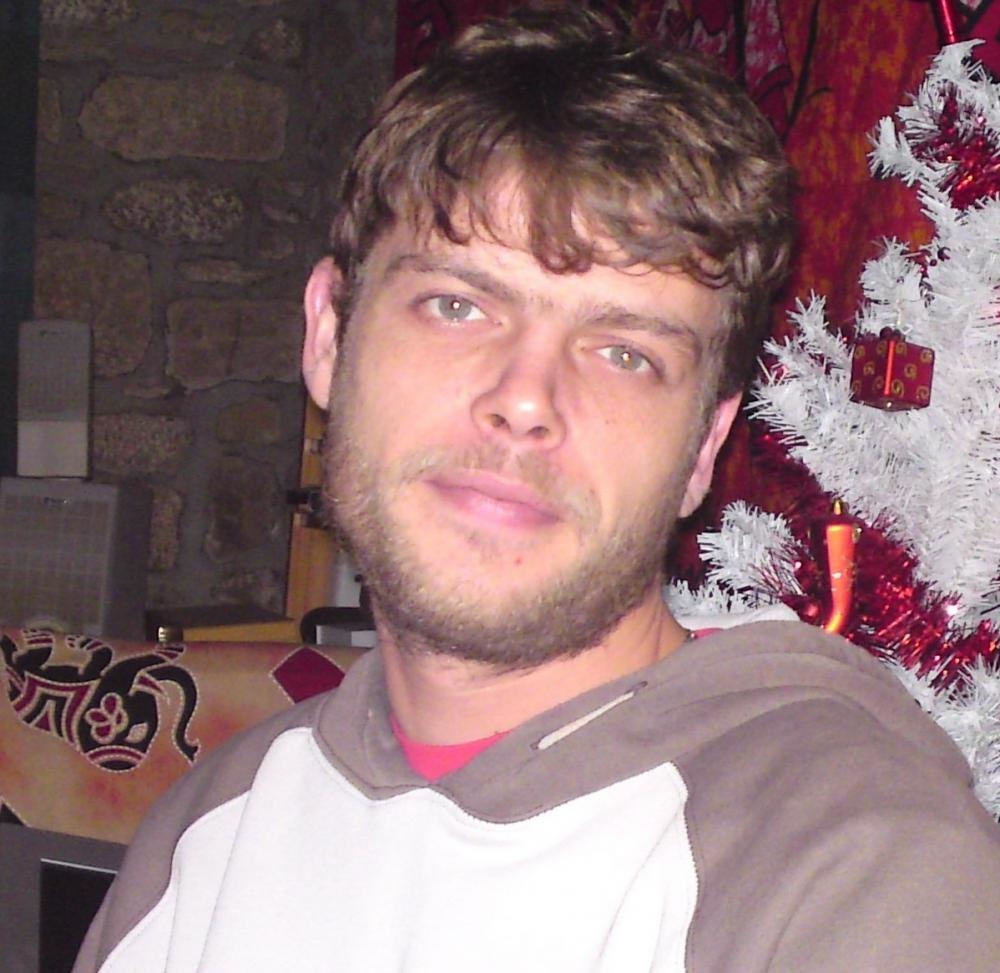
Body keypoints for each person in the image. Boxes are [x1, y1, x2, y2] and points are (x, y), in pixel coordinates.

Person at [75, 9, 1000, 972]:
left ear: (704, 446)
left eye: (624, 352)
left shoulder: (856, 874)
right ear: (327, 334)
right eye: (457, 304)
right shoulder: (206, 836)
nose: (525, 399)